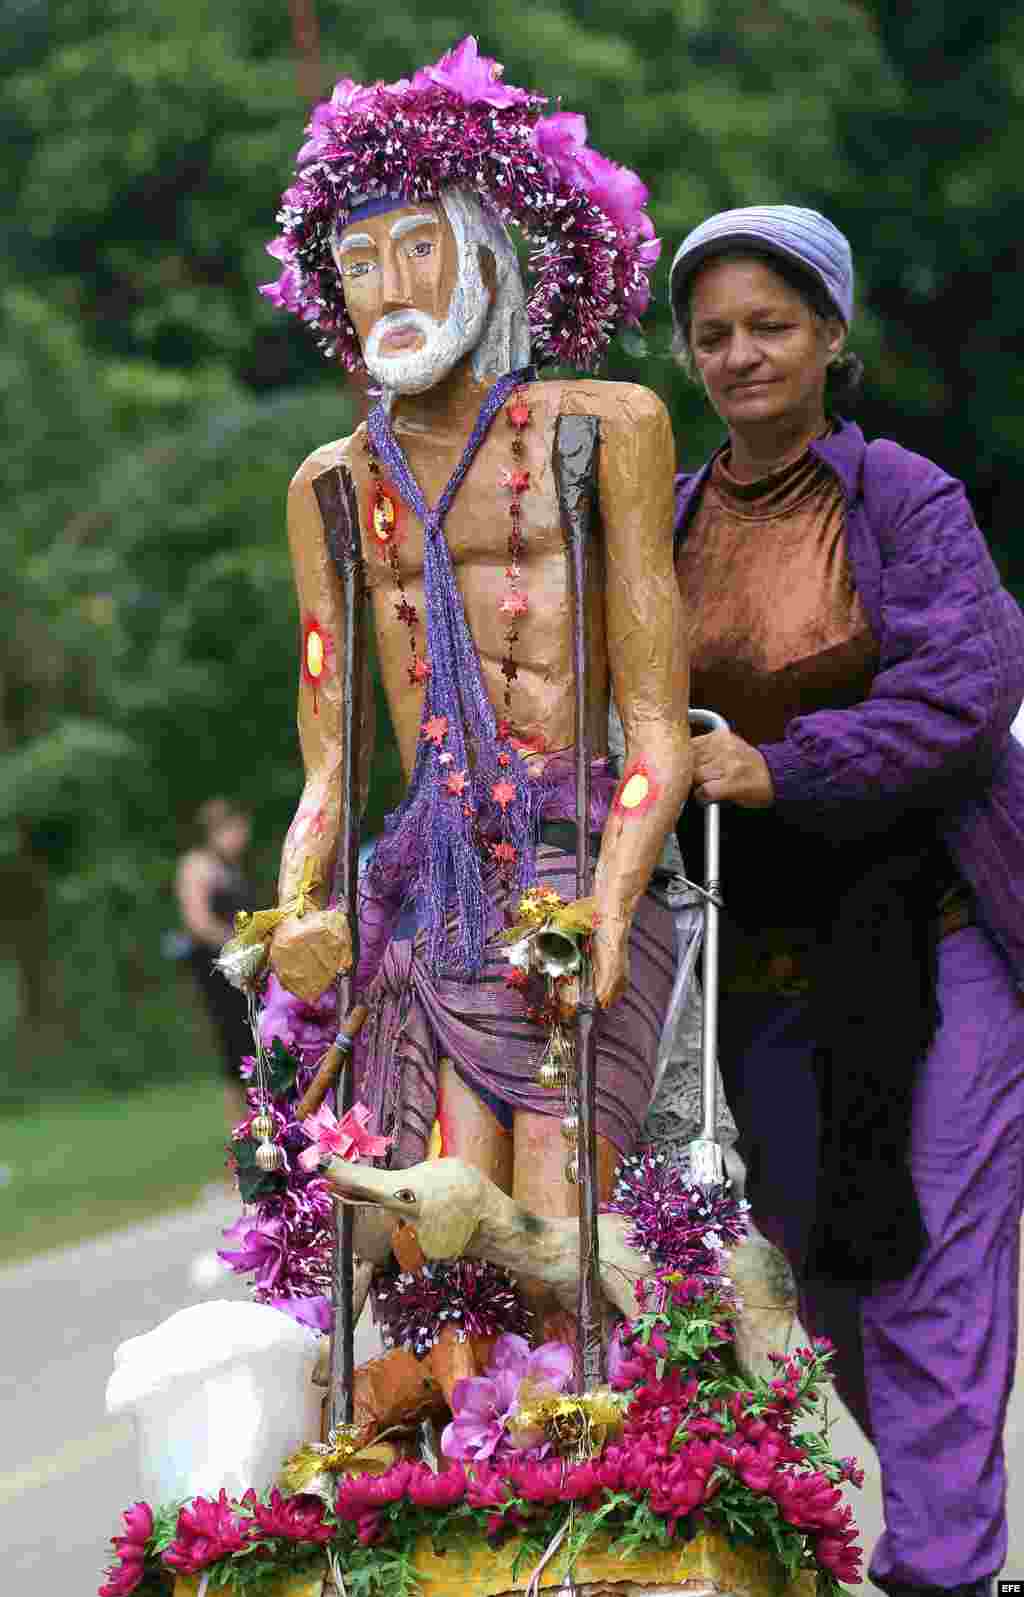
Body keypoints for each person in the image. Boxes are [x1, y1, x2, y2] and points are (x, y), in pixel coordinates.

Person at [258, 40, 691, 1336]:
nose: (388, 288)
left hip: (576, 861)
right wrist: (300, 905)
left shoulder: (607, 426)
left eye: (416, 248)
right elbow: (330, 757)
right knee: (436, 1259)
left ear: (490, 256)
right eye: (357, 263)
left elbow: (656, 727)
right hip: (429, 888)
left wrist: (611, 903)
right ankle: (455, 1458)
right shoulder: (331, 488)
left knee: (559, 1238)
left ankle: (586, 1449)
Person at [668, 203, 1024, 1597]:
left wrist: (777, 765)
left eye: (770, 325)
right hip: (761, 951)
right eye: (713, 334)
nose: (741, 354)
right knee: (819, 1271)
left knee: (928, 1261)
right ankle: (945, 1527)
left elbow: (961, 695)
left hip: (935, 929)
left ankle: (940, 1568)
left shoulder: (903, 499)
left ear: (830, 333)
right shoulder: (665, 518)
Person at [175, 797, 253, 1128]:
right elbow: (198, 922)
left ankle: (257, 1122)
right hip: (218, 966)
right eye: (237, 829)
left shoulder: (231, 867)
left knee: (250, 1042)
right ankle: (239, 1129)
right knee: (233, 1044)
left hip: (241, 964)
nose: (242, 837)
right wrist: (241, 944)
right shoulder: (197, 866)